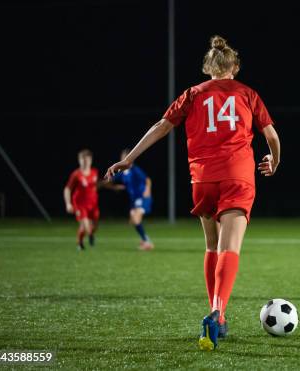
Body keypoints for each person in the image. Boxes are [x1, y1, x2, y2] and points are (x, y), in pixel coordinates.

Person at [105, 35, 280, 350]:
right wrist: (274, 160)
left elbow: (162, 124)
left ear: (207, 68)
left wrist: (129, 159)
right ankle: (217, 311)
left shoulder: (192, 94)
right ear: (235, 68)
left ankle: (218, 316)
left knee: (212, 246)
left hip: (202, 179)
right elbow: (271, 136)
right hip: (236, 176)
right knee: (230, 249)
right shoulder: (247, 93)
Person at [106, 149, 154, 251]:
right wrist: (115, 187)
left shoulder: (135, 170)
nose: (124, 160)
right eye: (123, 157)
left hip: (142, 198)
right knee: (133, 220)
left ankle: (147, 242)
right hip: (134, 200)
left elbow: (147, 180)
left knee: (136, 219)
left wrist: (147, 190)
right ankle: (144, 239)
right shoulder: (122, 173)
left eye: (126, 157)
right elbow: (109, 182)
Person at [64, 149, 100, 251]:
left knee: (94, 227)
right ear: (79, 160)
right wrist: (68, 203)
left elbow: (95, 186)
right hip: (80, 204)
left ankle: (83, 239)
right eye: (82, 159)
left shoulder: (94, 172)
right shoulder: (76, 174)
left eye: (87, 159)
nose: (85, 161)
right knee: (85, 225)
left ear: (90, 160)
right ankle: (85, 240)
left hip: (93, 203)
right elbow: (67, 189)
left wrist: (112, 186)